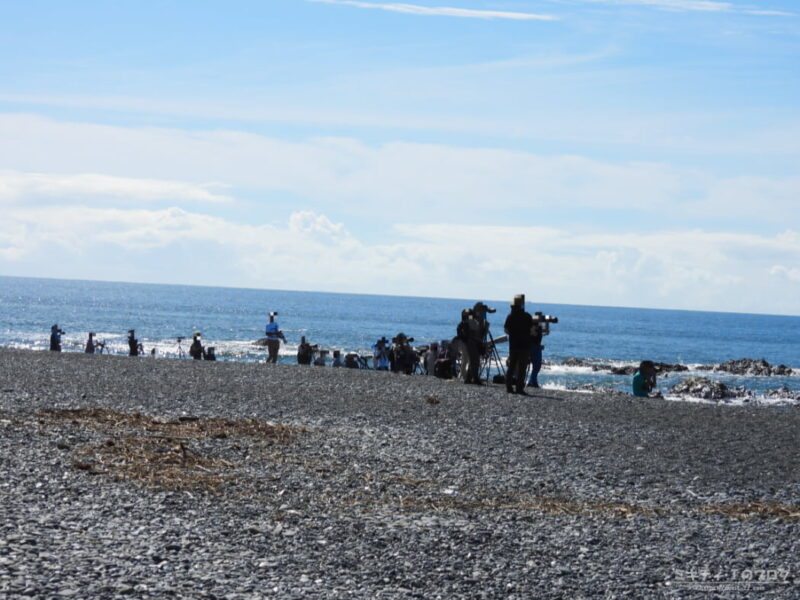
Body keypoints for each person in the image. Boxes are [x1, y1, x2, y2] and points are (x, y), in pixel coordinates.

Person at [503, 295, 534, 395]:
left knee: (511, 366)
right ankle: (519, 388)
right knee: (522, 368)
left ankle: (509, 387)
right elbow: (532, 331)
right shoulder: (527, 316)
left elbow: (506, 330)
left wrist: (513, 334)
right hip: (524, 345)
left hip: (513, 344)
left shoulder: (510, 316)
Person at [527, 322, 544, 388]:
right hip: (534, 348)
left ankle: (533, 381)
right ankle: (532, 382)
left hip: (536, 347)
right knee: (536, 366)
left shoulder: (538, 329)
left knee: (536, 367)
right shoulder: (532, 329)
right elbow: (533, 334)